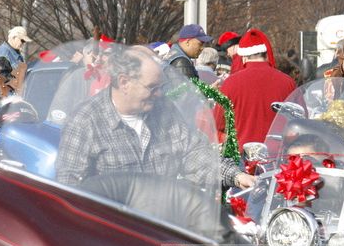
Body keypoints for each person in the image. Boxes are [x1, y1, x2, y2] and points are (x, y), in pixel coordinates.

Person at [56, 46, 252, 190]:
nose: (159, 94)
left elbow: (193, 153)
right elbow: (69, 188)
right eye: (152, 87)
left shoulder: (163, 111)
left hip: (160, 228)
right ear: (124, 82)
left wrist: (237, 176)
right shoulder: (84, 122)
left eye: (160, 87)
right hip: (112, 235)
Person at [216, 29, 296, 147]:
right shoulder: (288, 83)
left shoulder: (230, 83)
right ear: (265, 55)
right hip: (277, 158)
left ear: (243, 57)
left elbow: (217, 124)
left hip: (241, 158)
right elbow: (299, 122)